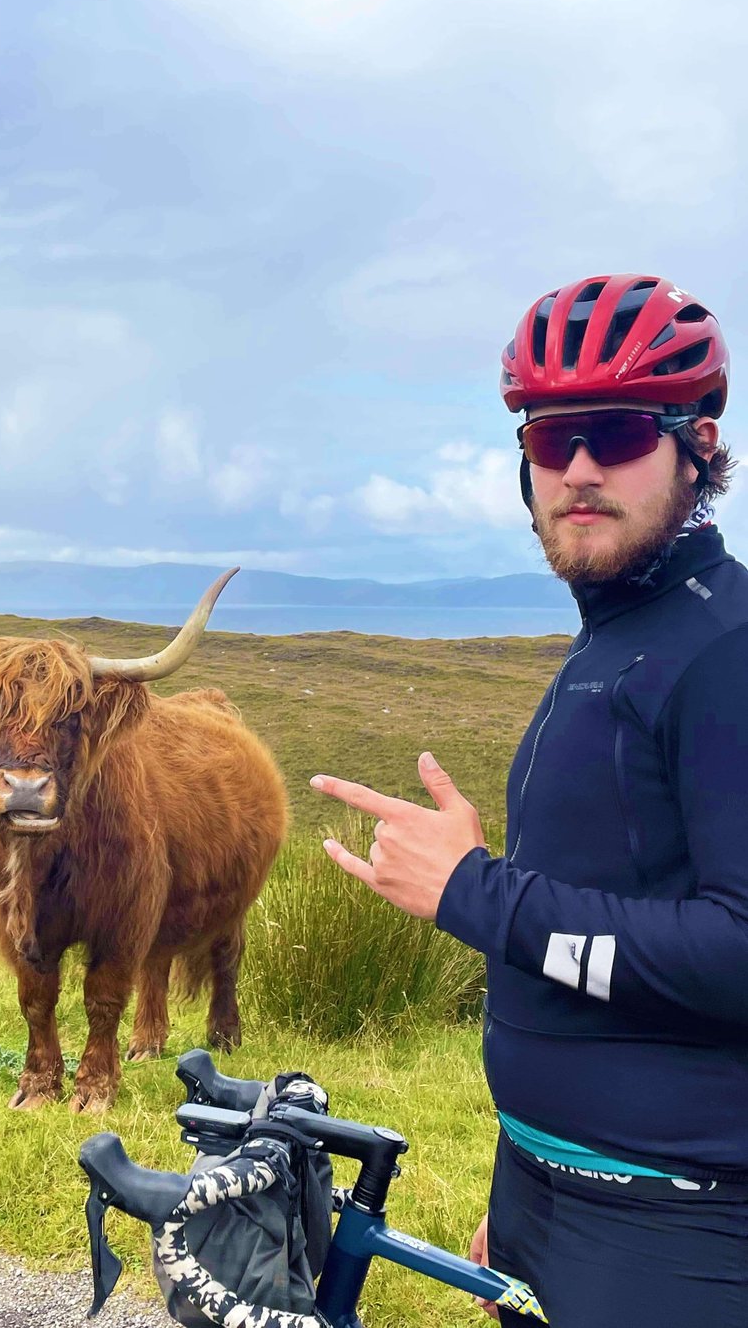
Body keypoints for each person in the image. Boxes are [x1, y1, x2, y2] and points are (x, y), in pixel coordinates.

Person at [310, 273, 748, 1326]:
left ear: (692, 450)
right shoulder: (618, 637)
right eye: (552, 443)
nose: (581, 470)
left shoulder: (723, 654)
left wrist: (474, 891)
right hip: (561, 1195)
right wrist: (527, 1177)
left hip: (678, 1223)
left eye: (614, 433)